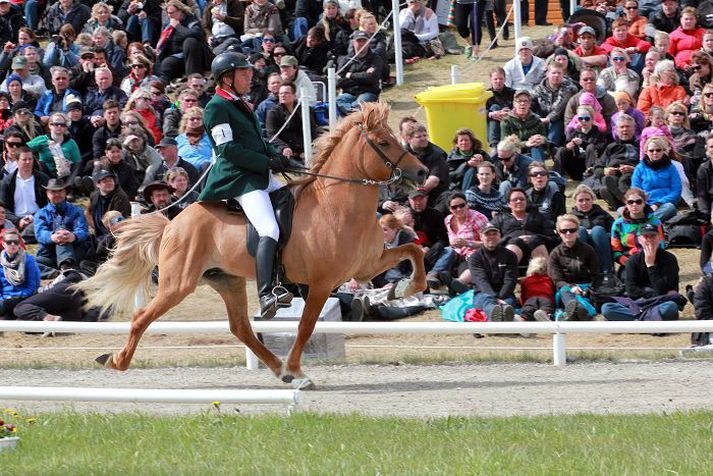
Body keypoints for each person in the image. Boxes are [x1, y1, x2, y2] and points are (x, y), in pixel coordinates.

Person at [198, 52, 296, 320]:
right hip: (238, 178)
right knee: (269, 227)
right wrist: (266, 161)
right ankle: (267, 294)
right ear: (227, 79)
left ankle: (286, 272)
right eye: (243, 73)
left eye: (249, 72)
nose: (249, 76)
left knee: (292, 199)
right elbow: (228, 149)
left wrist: (279, 156)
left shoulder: (240, 102)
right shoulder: (216, 107)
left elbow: (259, 140)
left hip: (257, 173)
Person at [602, 223, 683, 321]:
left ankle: (633, 321)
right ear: (640, 240)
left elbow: (664, 289)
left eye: (653, 236)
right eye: (646, 237)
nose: (649, 240)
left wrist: (650, 265)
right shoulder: (633, 260)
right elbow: (631, 290)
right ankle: (651, 320)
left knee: (670, 307)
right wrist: (653, 295)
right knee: (607, 308)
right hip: (639, 303)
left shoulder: (669, 259)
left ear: (659, 238)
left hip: (660, 303)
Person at [34, 178, 92, 274]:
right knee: (28, 263)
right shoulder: (40, 214)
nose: (57, 194)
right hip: (50, 256)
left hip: (74, 253)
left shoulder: (77, 210)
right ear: (47, 194)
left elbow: (82, 230)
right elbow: (40, 233)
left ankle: (66, 267)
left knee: (63, 234)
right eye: (53, 192)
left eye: (60, 191)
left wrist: (73, 236)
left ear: (65, 192)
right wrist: (53, 236)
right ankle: (57, 273)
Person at [548, 214, 599, 321]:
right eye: (564, 231)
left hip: (586, 289)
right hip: (566, 289)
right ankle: (578, 310)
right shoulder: (555, 254)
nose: (568, 233)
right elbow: (557, 280)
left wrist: (587, 289)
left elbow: (595, 275)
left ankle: (572, 313)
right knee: (565, 291)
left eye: (572, 230)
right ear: (559, 233)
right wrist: (572, 287)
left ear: (577, 232)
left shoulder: (588, 250)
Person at [468, 221, 518, 322]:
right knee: (488, 300)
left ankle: (503, 317)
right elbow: (481, 281)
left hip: (505, 294)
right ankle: (495, 317)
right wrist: (495, 299)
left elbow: (510, 279)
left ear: (500, 236)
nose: (491, 237)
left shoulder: (510, 255)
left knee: (507, 304)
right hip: (482, 293)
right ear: (481, 237)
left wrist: (501, 297)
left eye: (494, 234)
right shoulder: (475, 257)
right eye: (487, 234)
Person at [491, 188, 555, 265]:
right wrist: (511, 239)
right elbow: (491, 240)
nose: (519, 201)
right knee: (516, 242)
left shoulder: (539, 217)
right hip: (511, 250)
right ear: (509, 204)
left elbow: (553, 239)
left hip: (536, 250)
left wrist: (535, 237)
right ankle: (506, 274)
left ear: (526, 202)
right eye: (515, 199)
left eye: (522, 199)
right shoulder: (499, 219)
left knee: (534, 240)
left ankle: (544, 275)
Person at [441, 192, 488, 294]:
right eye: (454, 207)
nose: (459, 209)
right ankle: (435, 276)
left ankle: (457, 283)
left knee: (472, 263)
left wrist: (467, 243)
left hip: (476, 254)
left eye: (462, 205)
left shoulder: (477, 218)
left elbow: (489, 243)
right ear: (450, 209)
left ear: (467, 205)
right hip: (456, 256)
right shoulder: (448, 220)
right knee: (446, 251)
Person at [589, 114, 639, 209]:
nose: (625, 129)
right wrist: (605, 171)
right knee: (607, 180)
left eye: (628, 127)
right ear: (617, 130)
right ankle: (626, 203)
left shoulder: (640, 146)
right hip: (614, 176)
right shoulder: (611, 146)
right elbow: (598, 166)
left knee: (621, 182)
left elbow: (647, 167)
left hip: (631, 177)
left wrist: (634, 169)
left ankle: (622, 204)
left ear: (634, 129)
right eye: (622, 127)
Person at [0, 146, 49, 244]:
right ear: (17, 161)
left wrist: (33, 217)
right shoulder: (7, 182)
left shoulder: (43, 179)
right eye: (24, 159)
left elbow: (48, 204)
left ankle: (20, 238)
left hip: (38, 218)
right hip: (15, 221)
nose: (28, 162)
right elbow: (4, 208)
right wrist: (19, 221)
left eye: (30, 159)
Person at [156, 0, 211, 84]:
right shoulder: (168, 22)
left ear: (180, 11)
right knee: (167, 64)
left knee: (190, 41)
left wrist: (178, 26)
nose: (169, 15)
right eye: (168, 13)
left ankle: (193, 79)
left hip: (193, 55)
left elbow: (197, 34)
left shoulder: (191, 20)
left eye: (172, 13)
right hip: (176, 55)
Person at [611, 187, 664, 268]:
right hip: (628, 263)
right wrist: (628, 263)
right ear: (626, 203)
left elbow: (661, 246)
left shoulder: (655, 222)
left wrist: (650, 262)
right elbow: (616, 250)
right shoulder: (618, 224)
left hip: (652, 262)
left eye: (638, 202)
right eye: (630, 202)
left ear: (644, 203)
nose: (634, 205)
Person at [631, 136, 682, 222]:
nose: (655, 153)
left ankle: (644, 223)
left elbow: (676, 191)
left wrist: (658, 203)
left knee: (670, 208)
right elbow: (635, 190)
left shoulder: (671, 168)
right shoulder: (640, 168)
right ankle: (648, 222)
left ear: (663, 151)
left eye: (658, 150)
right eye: (651, 150)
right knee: (621, 210)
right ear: (646, 152)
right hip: (643, 204)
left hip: (664, 205)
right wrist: (644, 204)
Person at [402, 121, 450, 213]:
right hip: (407, 195)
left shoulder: (437, 154)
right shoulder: (402, 153)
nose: (423, 139)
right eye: (419, 137)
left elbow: (433, 181)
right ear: (409, 139)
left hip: (435, 196)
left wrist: (415, 195)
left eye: (425, 135)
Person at [335, 30, 384, 116]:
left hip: (368, 92)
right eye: (359, 41)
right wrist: (363, 75)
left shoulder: (376, 59)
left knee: (357, 105)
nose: (361, 44)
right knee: (337, 101)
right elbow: (339, 81)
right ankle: (351, 114)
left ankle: (350, 114)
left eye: (364, 41)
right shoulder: (346, 60)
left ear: (368, 42)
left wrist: (350, 75)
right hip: (349, 93)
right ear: (353, 42)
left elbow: (372, 78)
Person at [266, 82, 318, 161]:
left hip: (306, 151)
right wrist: (284, 147)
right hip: (286, 154)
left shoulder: (305, 110)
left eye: (286, 93)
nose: (283, 95)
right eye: (281, 93)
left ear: (294, 95)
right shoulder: (273, 113)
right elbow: (271, 135)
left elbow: (313, 130)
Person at [532, 63, 578, 148]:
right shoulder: (539, 89)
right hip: (542, 118)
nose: (556, 75)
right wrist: (536, 118)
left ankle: (551, 145)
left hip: (561, 119)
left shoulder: (570, 88)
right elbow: (531, 105)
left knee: (556, 121)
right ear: (547, 73)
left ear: (563, 74)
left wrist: (547, 119)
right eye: (553, 73)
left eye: (559, 73)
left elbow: (561, 108)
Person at [571, 184, 614, 274]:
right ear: (575, 201)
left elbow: (614, 232)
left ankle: (606, 272)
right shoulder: (571, 217)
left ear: (592, 200)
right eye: (580, 200)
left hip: (601, 245)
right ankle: (581, 271)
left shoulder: (602, 214)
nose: (584, 203)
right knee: (580, 230)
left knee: (598, 230)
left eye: (587, 199)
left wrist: (598, 234)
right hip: (580, 245)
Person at [556, 105, 606, 181]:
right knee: (561, 150)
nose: (583, 121)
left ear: (592, 119)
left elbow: (600, 149)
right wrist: (568, 147)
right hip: (575, 168)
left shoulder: (598, 134)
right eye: (580, 119)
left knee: (591, 147)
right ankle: (556, 175)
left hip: (590, 167)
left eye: (587, 119)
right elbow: (564, 146)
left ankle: (590, 177)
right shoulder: (574, 133)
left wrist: (583, 143)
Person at [26, 112, 81, 180]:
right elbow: (25, 148)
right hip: (44, 174)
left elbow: (77, 162)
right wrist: (44, 143)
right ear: (50, 125)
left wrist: (70, 163)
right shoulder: (42, 139)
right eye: (56, 124)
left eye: (63, 125)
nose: (59, 127)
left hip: (65, 175)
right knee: (40, 164)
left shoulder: (71, 142)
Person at [0, 229, 40, 320]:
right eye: (9, 242)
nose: (13, 245)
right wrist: (2, 298)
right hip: (4, 299)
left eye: (16, 242)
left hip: (23, 297)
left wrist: (15, 296)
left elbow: (32, 287)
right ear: (3, 244)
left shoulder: (29, 260)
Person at [500, 90, 547, 163]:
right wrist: (526, 144)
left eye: (525, 101)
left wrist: (542, 139)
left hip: (534, 151)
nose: (522, 103)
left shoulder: (537, 120)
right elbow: (505, 143)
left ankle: (539, 170)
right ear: (514, 104)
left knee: (536, 146)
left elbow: (546, 140)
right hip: (515, 152)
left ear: (529, 104)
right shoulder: (506, 121)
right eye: (519, 101)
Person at [86, 169, 130, 238]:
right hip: (99, 234)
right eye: (105, 181)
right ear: (98, 184)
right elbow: (88, 212)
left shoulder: (121, 197)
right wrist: (95, 226)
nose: (109, 183)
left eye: (110, 180)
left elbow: (120, 222)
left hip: (115, 235)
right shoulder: (94, 196)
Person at [446, 128, 489, 192]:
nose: (464, 142)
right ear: (457, 144)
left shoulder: (481, 153)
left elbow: (493, 169)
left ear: (471, 142)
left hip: (481, 186)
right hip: (459, 188)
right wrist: (467, 165)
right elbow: (450, 177)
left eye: (466, 140)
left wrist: (483, 163)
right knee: (471, 170)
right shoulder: (452, 157)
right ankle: (467, 197)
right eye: (461, 140)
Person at [176, 106, 213, 171]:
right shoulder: (179, 139)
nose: (195, 121)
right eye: (192, 119)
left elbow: (215, 157)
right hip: (183, 172)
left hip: (205, 170)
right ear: (186, 122)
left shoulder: (210, 138)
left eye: (198, 119)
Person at [486, 66, 514, 151]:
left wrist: (509, 112)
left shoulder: (513, 93)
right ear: (491, 79)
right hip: (492, 126)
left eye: (501, 79)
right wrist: (492, 114)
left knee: (496, 107)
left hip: (509, 124)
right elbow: (478, 112)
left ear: (505, 79)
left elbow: (521, 107)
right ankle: (494, 146)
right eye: (495, 79)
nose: (498, 81)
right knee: (494, 107)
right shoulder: (486, 95)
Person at [519, 256, 555, 322]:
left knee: (527, 311)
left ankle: (522, 319)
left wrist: (523, 303)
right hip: (545, 298)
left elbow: (523, 295)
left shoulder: (526, 280)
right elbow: (553, 292)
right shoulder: (549, 279)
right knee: (546, 309)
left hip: (530, 299)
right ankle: (545, 315)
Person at [696, 135, 713, 222]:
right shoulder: (703, 168)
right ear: (707, 149)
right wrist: (705, 213)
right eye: (711, 147)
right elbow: (701, 194)